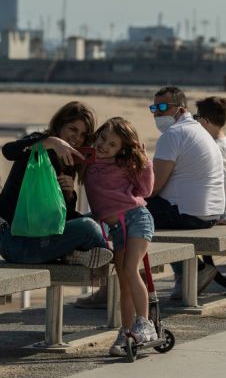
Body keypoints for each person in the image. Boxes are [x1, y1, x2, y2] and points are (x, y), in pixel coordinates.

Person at [0, 101, 113, 268]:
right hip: (14, 240)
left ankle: (73, 255)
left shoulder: (67, 162)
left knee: (101, 219)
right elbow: (8, 151)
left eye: (83, 134)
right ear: (60, 125)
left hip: (41, 236)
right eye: (73, 129)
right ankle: (115, 258)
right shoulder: (37, 146)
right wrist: (53, 142)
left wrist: (69, 193)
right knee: (89, 228)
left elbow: (60, 217)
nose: (77, 138)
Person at [83, 117, 157, 356]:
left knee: (130, 270)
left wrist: (145, 164)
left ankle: (145, 325)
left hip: (137, 219)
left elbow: (146, 191)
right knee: (123, 282)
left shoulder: (125, 164)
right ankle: (125, 331)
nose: (104, 145)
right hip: (116, 229)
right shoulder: (89, 160)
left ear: (121, 149)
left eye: (112, 144)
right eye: (103, 138)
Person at [147, 86, 225, 299]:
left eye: (163, 107)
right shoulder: (199, 130)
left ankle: (113, 288)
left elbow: (153, 187)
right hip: (210, 214)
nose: (157, 113)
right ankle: (190, 271)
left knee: (128, 215)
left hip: (188, 214)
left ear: (180, 109)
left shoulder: (173, 135)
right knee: (148, 212)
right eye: (153, 107)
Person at [194, 96, 226, 225]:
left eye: (197, 118)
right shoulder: (223, 140)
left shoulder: (217, 147)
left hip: (221, 215)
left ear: (205, 121)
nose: (196, 122)